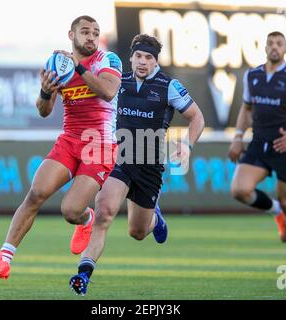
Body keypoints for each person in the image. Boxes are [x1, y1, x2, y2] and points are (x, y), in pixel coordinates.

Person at [0, 15, 122, 279]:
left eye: (95, 32)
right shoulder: (56, 65)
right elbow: (44, 111)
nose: (91, 37)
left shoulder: (107, 60)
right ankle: (4, 257)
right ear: (71, 36)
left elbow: (108, 91)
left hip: (100, 143)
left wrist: (78, 68)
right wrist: (46, 92)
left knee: (70, 211)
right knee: (36, 193)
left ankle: (86, 220)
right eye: (85, 32)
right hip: (70, 139)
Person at [69, 34, 205, 295]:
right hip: (119, 158)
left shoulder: (169, 87)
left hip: (149, 164)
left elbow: (197, 118)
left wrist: (186, 145)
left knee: (137, 232)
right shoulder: (117, 82)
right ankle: (83, 275)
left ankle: (155, 218)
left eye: (149, 58)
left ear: (156, 62)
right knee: (104, 211)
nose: (142, 62)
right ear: (130, 57)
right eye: (139, 56)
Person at [228, 31, 286, 273]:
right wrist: (238, 138)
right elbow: (246, 109)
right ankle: (276, 211)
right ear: (265, 47)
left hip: (285, 147)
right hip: (259, 143)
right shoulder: (253, 75)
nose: (274, 47)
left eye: (279, 43)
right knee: (239, 189)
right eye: (270, 43)